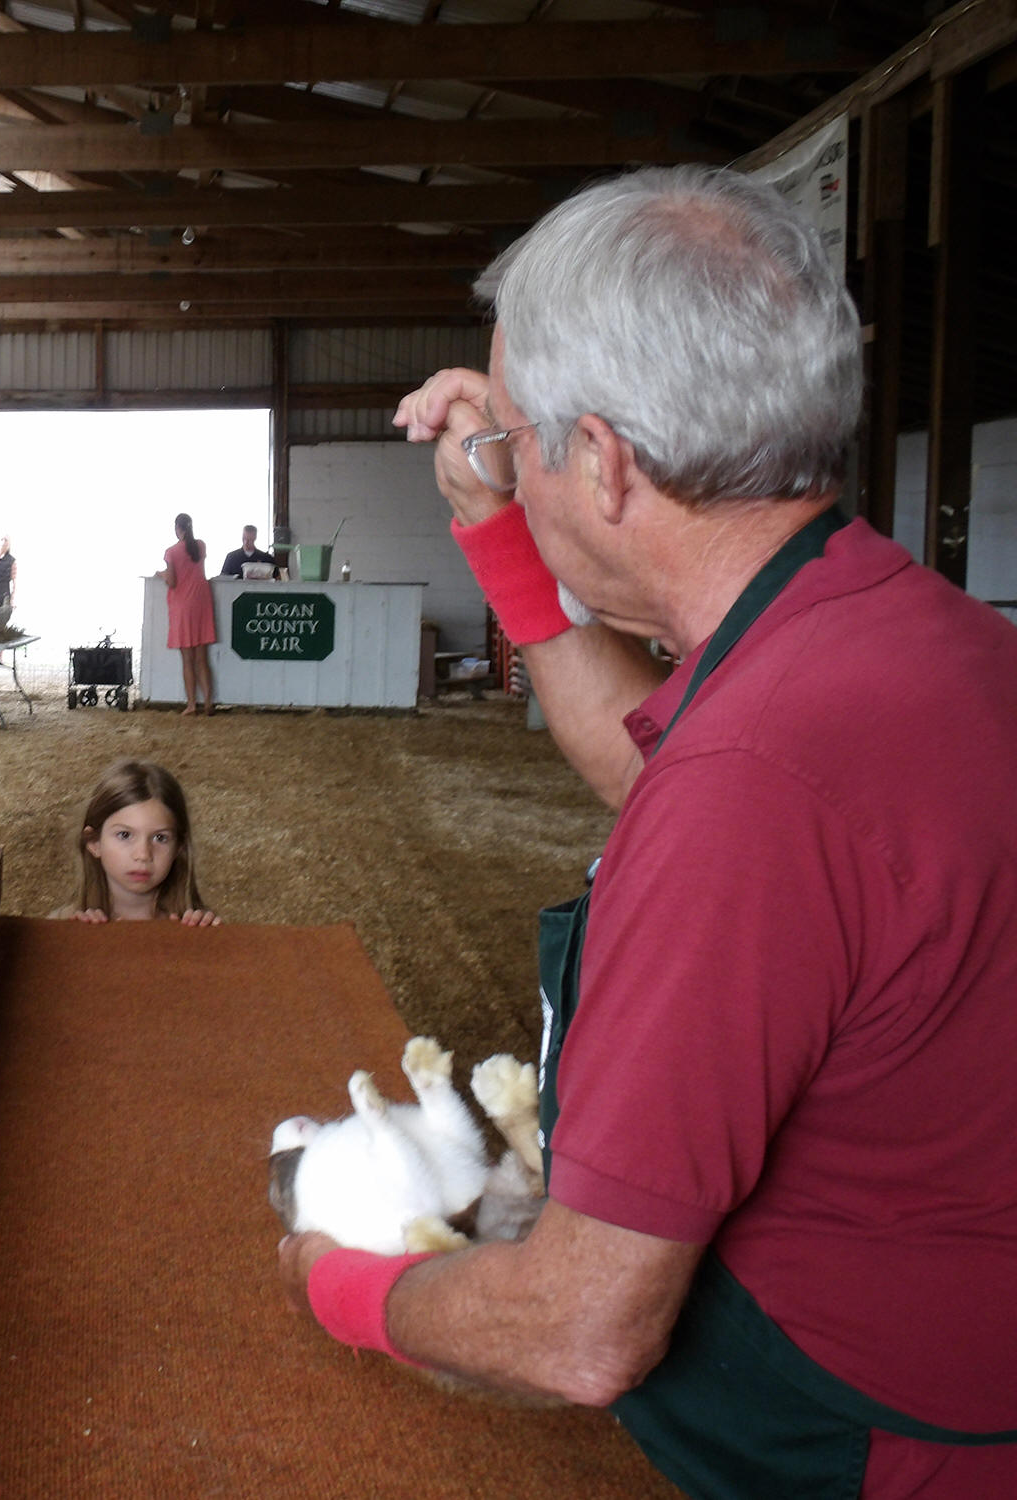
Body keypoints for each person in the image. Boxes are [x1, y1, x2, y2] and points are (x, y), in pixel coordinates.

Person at [281, 165, 1017, 1500]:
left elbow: (578, 1329)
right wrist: (496, 523)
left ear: (607, 461)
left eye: (519, 438)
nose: (507, 463)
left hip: (859, 1441)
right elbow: (662, 778)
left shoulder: (752, 780)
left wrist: (336, 1283)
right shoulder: (902, 636)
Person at [48, 759, 218, 925]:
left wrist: (212, 936)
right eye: (125, 835)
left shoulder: (194, 927)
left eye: (160, 838)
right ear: (94, 841)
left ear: (178, 847)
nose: (143, 854)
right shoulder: (63, 925)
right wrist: (72, 939)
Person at [160, 512, 216, 716]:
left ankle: (192, 704)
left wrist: (161, 574)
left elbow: (172, 581)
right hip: (202, 604)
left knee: (187, 660)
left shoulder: (171, 552)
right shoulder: (201, 546)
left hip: (183, 606)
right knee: (202, 659)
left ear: (177, 528)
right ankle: (208, 702)